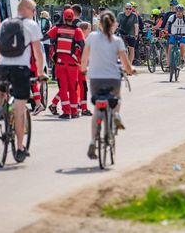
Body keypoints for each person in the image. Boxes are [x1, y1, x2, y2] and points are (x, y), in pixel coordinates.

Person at [0, 0, 45, 162]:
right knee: (20, 109)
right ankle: (20, 148)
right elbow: (38, 52)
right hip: (21, 69)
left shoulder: (5, 23)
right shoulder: (31, 25)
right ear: (26, 10)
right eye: (33, 11)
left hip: (3, 68)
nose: (33, 14)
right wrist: (40, 73)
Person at [80, 11, 134, 160]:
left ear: (100, 24)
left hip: (95, 79)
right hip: (113, 79)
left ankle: (93, 141)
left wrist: (84, 69)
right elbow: (126, 64)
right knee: (117, 97)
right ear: (113, 24)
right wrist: (131, 70)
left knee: (97, 109)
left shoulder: (91, 37)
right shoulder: (117, 41)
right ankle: (116, 114)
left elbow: (84, 59)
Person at [45, 9, 85, 119]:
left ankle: (66, 112)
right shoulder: (77, 31)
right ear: (73, 18)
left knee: (63, 88)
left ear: (63, 17)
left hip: (60, 64)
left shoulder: (57, 29)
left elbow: (45, 37)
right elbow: (83, 46)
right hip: (73, 64)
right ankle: (74, 112)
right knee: (73, 88)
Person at [77, 21, 92, 115]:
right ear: (84, 30)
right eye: (89, 29)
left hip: (79, 66)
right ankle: (84, 108)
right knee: (82, 87)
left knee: (73, 87)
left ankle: (54, 103)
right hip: (79, 67)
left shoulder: (82, 39)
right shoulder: (82, 40)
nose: (90, 30)